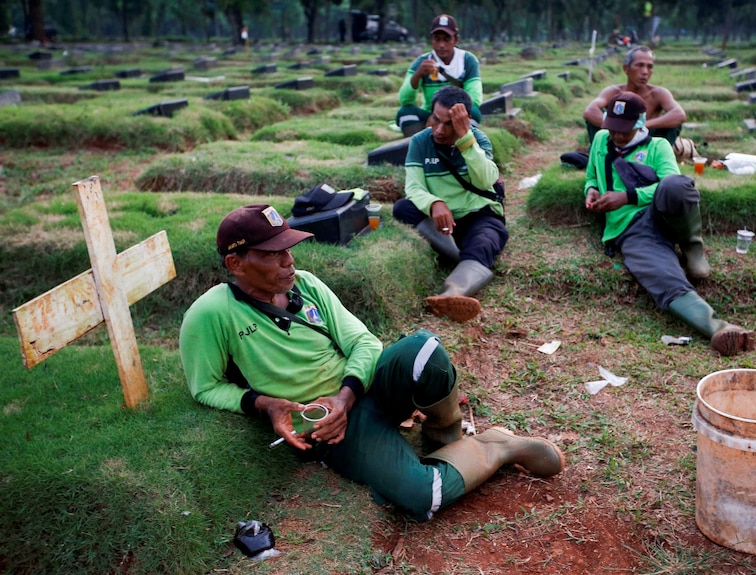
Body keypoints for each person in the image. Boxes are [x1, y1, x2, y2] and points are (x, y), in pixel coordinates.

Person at [179, 204, 564, 522]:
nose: (289, 261)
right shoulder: (211, 313)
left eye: (289, 248)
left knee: (424, 348)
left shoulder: (307, 285)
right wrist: (266, 404)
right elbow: (205, 387)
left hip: (361, 390)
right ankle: (497, 446)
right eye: (273, 254)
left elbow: (363, 341)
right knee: (422, 497)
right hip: (330, 429)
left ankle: (445, 432)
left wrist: (346, 397)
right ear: (236, 263)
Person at [583, 92, 754, 356]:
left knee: (676, 185)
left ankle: (692, 246)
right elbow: (592, 173)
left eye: (624, 131)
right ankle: (718, 328)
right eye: (612, 128)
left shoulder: (658, 146)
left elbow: (669, 184)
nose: (616, 136)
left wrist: (628, 196)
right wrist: (591, 190)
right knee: (661, 276)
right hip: (631, 227)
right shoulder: (600, 140)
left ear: (640, 125)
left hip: (663, 213)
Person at [393, 86, 507, 323]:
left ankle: (451, 294)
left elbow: (486, 180)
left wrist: (466, 139)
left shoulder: (477, 139)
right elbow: (413, 187)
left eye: (448, 124)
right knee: (403, 207)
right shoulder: (420, 142)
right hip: (439, 219)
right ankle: (460, 256)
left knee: (487, 238)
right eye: (435, 119)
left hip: (477, 214)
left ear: (462, 122)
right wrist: (434, 203)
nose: (438, 129)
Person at [395, 14, 483, 137]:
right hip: (430, 115)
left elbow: (474, 98)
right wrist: (418, 74)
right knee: (405, 113)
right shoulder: (423, 61)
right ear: (431, 40)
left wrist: (446, 117)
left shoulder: (467, 60)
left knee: (474, 112)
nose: (441, 45)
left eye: (447, 39)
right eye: (437, 39)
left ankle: (458, 145)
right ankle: (418, 144)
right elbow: (405, 99)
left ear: (456, 40)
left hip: (455, 116)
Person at [583, 46, 686, 146]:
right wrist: (617, 127)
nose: (645, 72)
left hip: (646, 141)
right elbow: (590, 111)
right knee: (595, 118)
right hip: (616, 139)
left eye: (649, 67)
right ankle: (601, 153)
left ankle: (658, 157)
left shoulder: (658, 93)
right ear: (626, 68)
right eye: (640, 65)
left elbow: (679, 115)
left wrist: (638, 126)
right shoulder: (613, 92)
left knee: (674, 123)